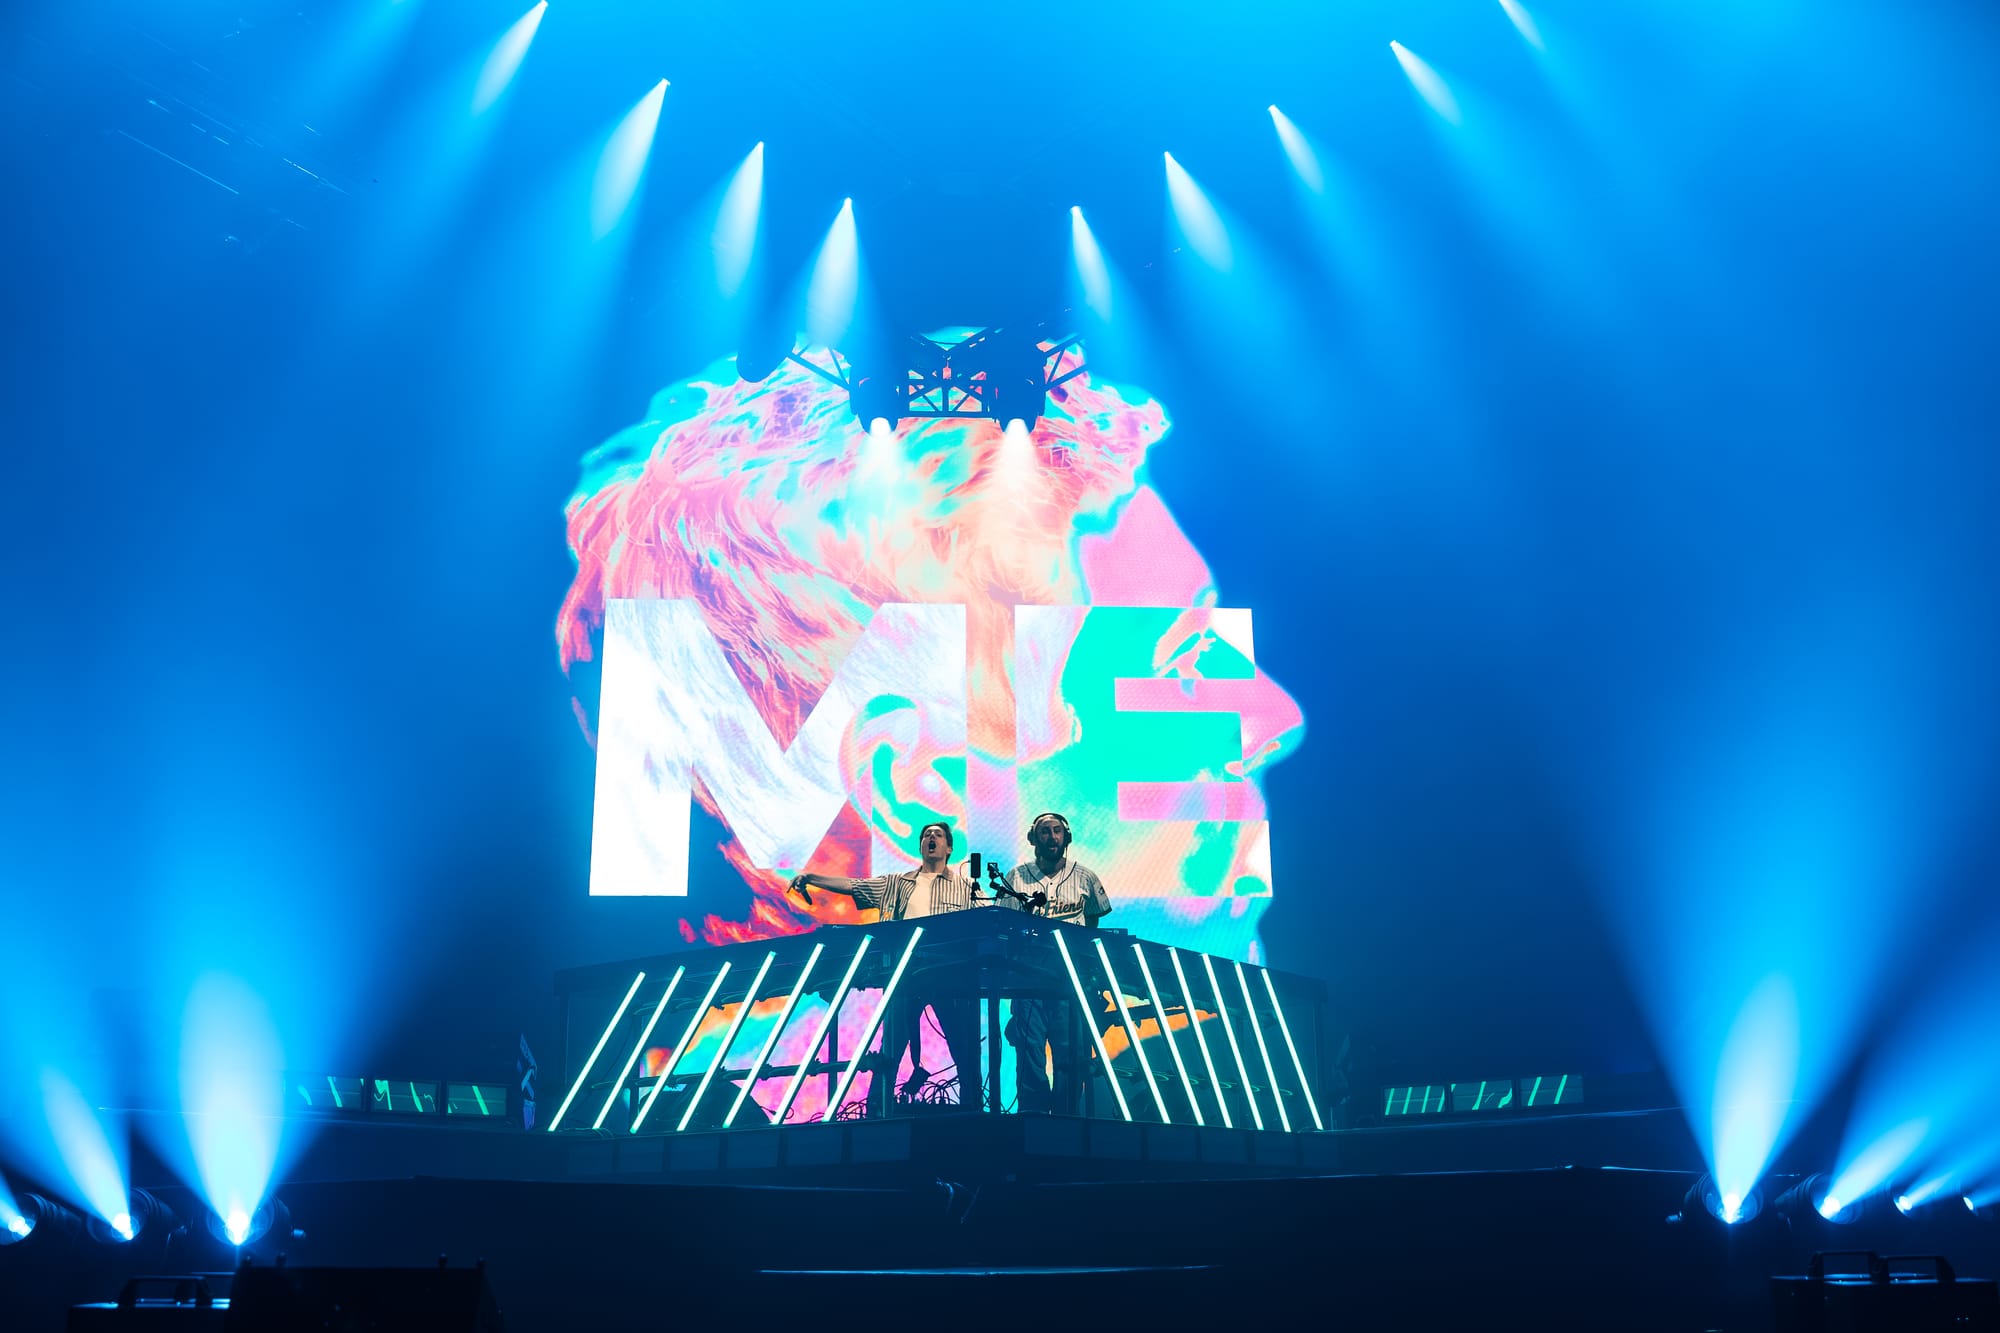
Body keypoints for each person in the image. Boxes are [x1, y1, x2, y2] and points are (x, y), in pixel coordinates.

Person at [787, 822, 984, 1106]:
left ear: (949, 848)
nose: (931, 837)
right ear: (921, 846)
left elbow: (983, 925)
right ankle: (877, 1111)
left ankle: (972, 1112)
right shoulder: (897, 883)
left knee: (963, 1047)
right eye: (926, 834)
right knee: (891, 1048)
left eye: (938, 835)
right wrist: (811, 878)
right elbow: (854, 886)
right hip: (904, 975)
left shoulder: (965, 888)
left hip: (947, 976)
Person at [998, 812, 1112, 1113]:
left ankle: (1066, 1117)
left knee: (1071, 1054)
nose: (1052, 837)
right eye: (1045, 832)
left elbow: (1092, 924)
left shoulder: (1085, 876)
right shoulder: (1016, 877)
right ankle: (1034, 1114)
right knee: (1028, 1050)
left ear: (1067, 837)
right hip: (1028, 982)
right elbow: (1004, 927)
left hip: (1069, 981)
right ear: (1033, 839)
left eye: (1057, 831)